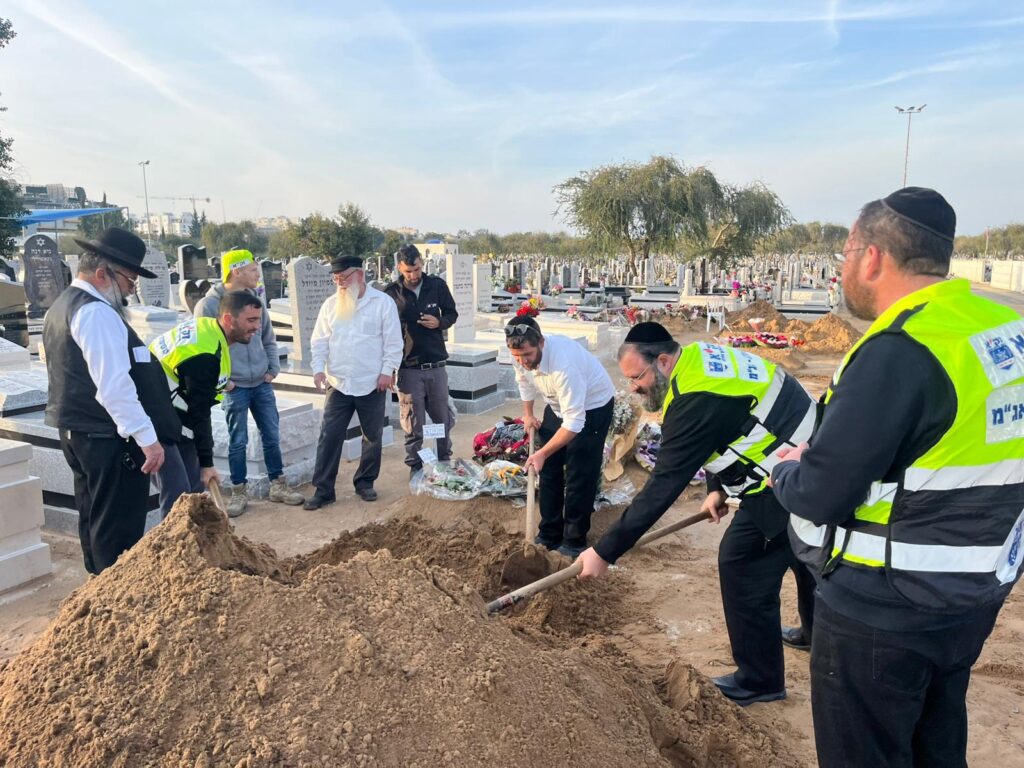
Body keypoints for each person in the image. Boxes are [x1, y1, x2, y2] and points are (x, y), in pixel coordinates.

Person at [770, 187, 1024, 767]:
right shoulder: (1000, 327)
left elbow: (821, 494)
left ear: (872, 257)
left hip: (883, 606)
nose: (841, 270)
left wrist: (788, 470)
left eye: (844, 253)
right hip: (972, 590)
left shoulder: (900, 348)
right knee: (936, 743)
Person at [577, 322, 817, 705]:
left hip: (786, 476)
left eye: (637, 378)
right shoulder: (700, 358)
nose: (633, 388)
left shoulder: (693, 398)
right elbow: (729, 422)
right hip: (810, 457)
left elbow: (663, 485)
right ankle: (815, 632)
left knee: (742, 563)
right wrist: (718, 487)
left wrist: (605, 552)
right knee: (804, 549)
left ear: (663, 361)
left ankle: (760, 680)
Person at [42, 227, 179, 574]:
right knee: (117, 525)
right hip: (106, 437)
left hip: (78, 431)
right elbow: (113, 386)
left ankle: (98, 583)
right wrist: (147, 439)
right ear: (103, 273)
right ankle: (115, 591)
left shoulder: (62, 305)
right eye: (130, 281)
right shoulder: (97, 313)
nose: (131, 290)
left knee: (94, 515)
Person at [194, 249, 305, 515]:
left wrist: (272, 368)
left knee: (271, 435)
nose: (258, 274)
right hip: (235, 387)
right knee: (238, 441)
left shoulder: (254, 300)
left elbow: (267, 337)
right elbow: (202, 348)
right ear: (237, 271)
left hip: (261, 382)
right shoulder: (209, 306)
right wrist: (225, 382)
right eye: (254, 269)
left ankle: (278, 485)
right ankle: (239, 491)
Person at [507, 317, 615, 559]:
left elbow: (575, 422)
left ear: (541, 343)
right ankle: (549, 532)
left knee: (579, 471)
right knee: (548, 469)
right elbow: (523, 381)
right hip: (558, 407)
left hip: (592, 407)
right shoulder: (519, 355)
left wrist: (543, 452)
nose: (523, 361)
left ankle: (574, 540)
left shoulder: (565, 365)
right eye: (517, 357)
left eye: (528, 355)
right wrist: (528, 414)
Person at [149, 291, 263, 517]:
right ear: (228, 319)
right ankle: (175, 539)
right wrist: (207, 463)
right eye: (251, 320)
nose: (257, 327)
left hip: (175, 414)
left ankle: (197, 537)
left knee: (194, 489)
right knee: (178, 495)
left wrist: (222, 382)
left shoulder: (209, 330)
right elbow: (199, 410)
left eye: (258, 320)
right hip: (155, 418)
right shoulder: (205, 353)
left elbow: (194, 380)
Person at [304, 255, 402, 508]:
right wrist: (318, 369)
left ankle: (365, 482)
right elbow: (320, 340)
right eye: (336, 279)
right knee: (329, 436)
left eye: (343, 278)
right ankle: (324, 489)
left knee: (372, 436)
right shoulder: (330, 305)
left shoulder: (382, 303)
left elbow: (393, 342)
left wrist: (387, 371)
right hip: (338, 382)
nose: (340, 283)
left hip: (372, 381)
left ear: (359, 274)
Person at [383, 244, 458, 477]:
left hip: (435, 365)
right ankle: (415, 466)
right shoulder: (391, 294)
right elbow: (385, 332)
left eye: (416, 269)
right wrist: (389, 368)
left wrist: (440, 323)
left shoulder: (436, 285)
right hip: (409, 368)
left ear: (421, 264)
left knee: (441, 418)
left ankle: (443, 460)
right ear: (399, 267)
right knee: (413, 421)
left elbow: (452, 313)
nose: (413, 275)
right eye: (408, 271)